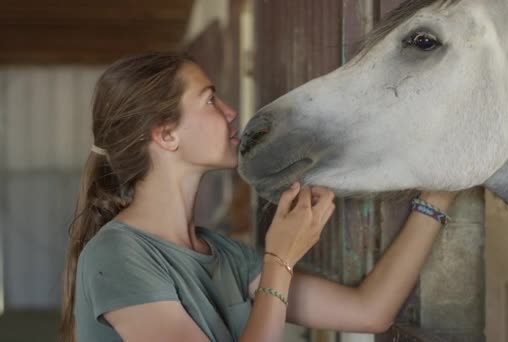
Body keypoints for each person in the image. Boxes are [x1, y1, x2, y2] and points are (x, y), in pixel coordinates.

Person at [60, 52, 458, 342]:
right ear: (166, 135)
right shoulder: (115, 257)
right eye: (210, 100)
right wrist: (280, 259)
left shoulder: (224, 256)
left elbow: (370, 312)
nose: (231, 112)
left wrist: (439, 192)